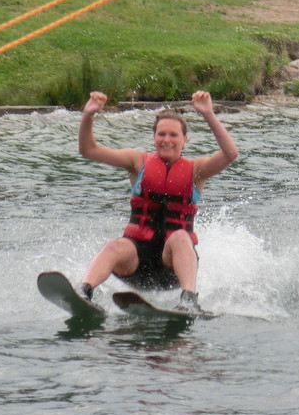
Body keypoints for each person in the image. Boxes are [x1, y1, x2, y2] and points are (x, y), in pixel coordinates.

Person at [78, 90, 238, 314]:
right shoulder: (137, 162)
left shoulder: (197, 170)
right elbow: (88, 150)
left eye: (173, 135)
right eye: (161, 134)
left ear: (185, 139)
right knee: (114, 245)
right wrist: (88, 115)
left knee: (181, 236)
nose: (166, 140)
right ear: (154, 137)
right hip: (134, 265)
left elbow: (230, 153)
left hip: (172, 268)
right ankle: (84, 292)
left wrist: (209, 114)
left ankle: (189, 300)